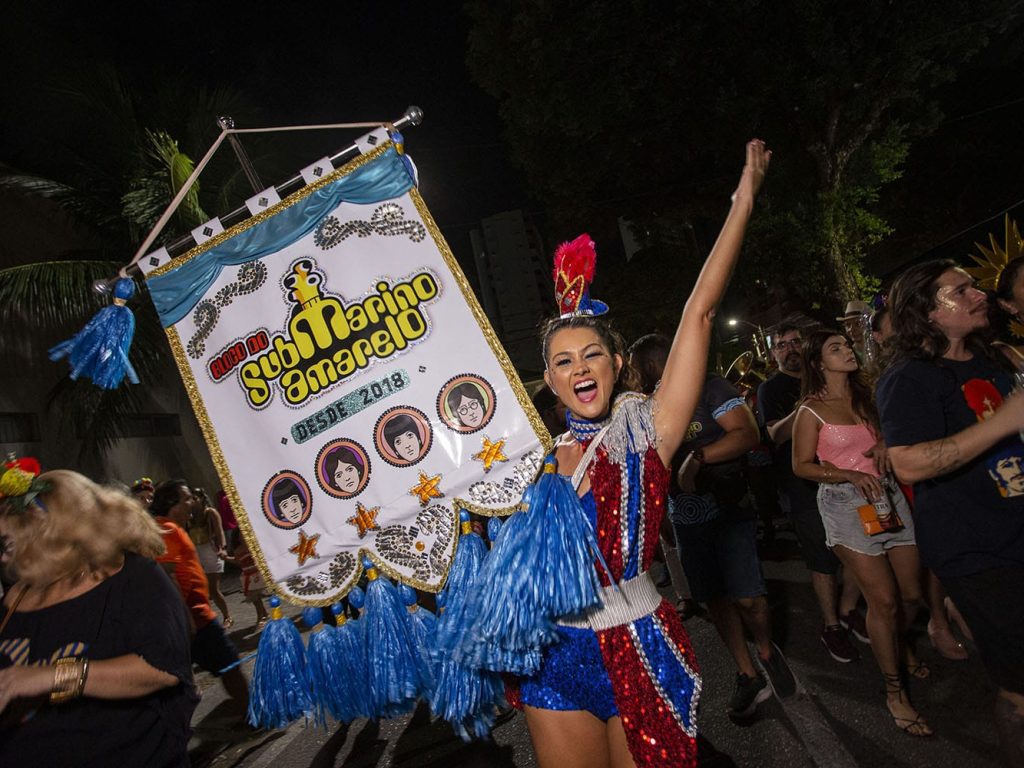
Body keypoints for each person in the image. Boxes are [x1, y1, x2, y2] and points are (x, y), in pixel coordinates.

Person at [503, 139, 770, 768]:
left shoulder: (648, 430)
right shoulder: (527, 461)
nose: (580, 368)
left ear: (617, 362)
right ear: (551, 379)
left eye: (592, 354)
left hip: (638, 642)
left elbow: (699, 313)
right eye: (563, 362)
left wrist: (743, 203)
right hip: (553, 653)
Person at [877, 259, 1024, 766]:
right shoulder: (910, 378)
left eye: (974, 286)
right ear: (928, 313)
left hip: (1018, 529)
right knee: (1020, 687)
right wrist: (1004, 422)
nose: (978, 294)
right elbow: (909, 463)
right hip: (980, 551)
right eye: (960, 291)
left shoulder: (993, 361)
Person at [633, 334, 796, 719]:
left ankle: (767, 649)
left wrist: (699, 458)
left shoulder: (709, 386)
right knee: (715, 597)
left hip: (727, 510)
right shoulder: (645, 407)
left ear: (653, 364)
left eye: (637, 366)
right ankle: (746, 671)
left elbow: (746, 433)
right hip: (685, 517)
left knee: (748, 598)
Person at [0, 467, 196, 766]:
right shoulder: (16, 598)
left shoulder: (133, 579)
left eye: (10, 543)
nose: (3, 557)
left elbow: (163, 669)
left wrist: (52, 676)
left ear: (55, 535)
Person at [792, 329, 928, 736]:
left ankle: (900, 647)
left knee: (911, 594)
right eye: (837, 348)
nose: (848, 351)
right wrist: (847, 473)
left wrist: (887, 444)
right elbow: (801, 465)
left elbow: (889, 436)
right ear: (819, 362)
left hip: (888, 499)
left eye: (848, 345)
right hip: (844, 507)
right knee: (883, 601)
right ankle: (894, 692)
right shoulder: (810, 411)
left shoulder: (868, 398)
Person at [757, 322, 863, 662]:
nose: (790, 348)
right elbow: (774, 435)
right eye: (782, 345)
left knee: (860, 548)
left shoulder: (831, 378)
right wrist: (806, 408)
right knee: (822, 558)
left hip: (849, 481)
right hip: (803, 487)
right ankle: (831, 625)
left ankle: (848, 609)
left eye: (795, 342)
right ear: (774, 354)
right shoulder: (771, 390)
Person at [150, 480, 249, 707]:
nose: (192, 502)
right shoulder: (166, 529)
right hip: (195, 618)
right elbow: (168, 577)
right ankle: (252, 715)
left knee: (220, 668)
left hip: (193, 616)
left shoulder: (172, 527)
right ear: (172, 504)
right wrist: (186, 618)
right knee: (230, 665)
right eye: (187, 498)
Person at [188, 487, 232, 627]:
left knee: (214, 589)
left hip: (211, 551)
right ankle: (209, 619)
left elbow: (220, 532)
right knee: (202, 590)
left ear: (201, 498)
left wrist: (223, 548)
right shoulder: (189, 516)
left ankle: (227, 617)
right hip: (197, 552)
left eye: (194, 498)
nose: (192, 501)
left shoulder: (210, 512)